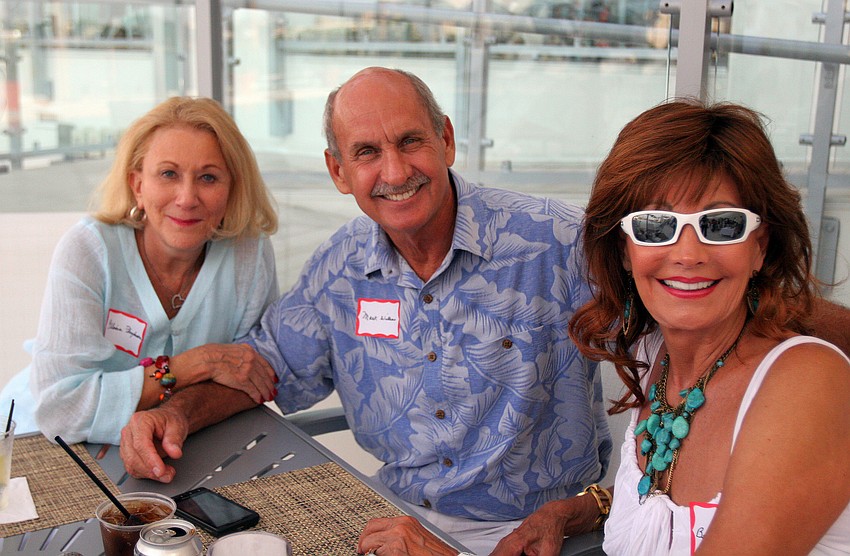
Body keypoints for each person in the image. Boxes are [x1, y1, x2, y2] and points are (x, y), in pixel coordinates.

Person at [118, 67, 613, 556]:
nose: (395, 173)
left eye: (410, 141)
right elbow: (263, 366)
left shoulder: (559, 241)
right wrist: (174, 414)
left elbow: (660, 374)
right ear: (338, 171)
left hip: (540, 533)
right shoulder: (340, 266)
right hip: (396, 522)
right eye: (367, 152)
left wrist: (586, 508)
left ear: (446, 140)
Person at [564, 100, 850, 554]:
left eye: (721, 225)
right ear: (624, 250)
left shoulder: (805, 383)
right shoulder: (656, 353)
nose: (688, 254)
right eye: (656, 226)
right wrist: (585, 507)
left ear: (760, 247)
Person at [0, 96, 280, 445]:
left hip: (185, 443)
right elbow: (62, 409)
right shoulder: (89, 251)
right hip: (39, 443)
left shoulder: (249, 254)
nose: (187, 198)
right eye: (168, 174)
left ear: (232, 188)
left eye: (208, 177)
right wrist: (197, 364)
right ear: (137, 185)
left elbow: (255, 376)